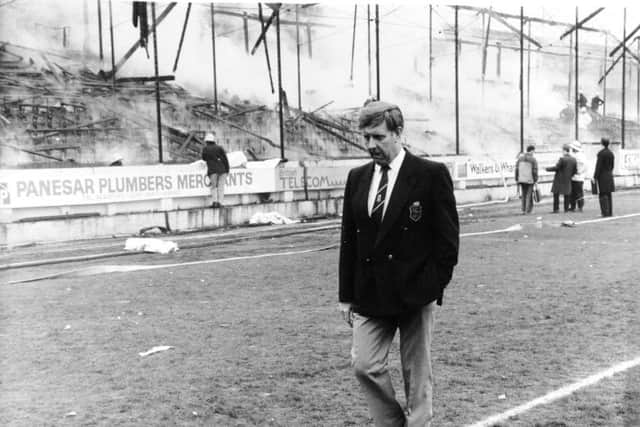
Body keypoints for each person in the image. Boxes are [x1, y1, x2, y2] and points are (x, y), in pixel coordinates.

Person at [338, 100, 459, 427]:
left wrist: (432, 286)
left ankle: (419, 423)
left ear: (398, 132)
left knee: (416, 374)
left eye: (378, 137)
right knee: (364, 364)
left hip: (415, 292)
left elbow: (448, 242)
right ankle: (393, 423)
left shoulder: (430, 175)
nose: (370, 145)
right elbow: (349, 240)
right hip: (370, 293)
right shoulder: (357, 177)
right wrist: (346, 295)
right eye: (366, 138)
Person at [545, 143, 577, 213]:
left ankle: (556, 209)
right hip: (568, 179)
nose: (562, 152)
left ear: (565, 151)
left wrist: (547, 169)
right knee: (567, 194)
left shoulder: (562, 159)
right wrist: (570, 175)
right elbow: (575, 170)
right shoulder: (574, 159)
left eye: (562, 150)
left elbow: (556, 168)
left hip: (559, 179)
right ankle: (566, 208)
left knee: (556, 194)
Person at [201, 132, 229, 208]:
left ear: (206, 141)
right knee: (221, 187)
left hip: (212, 170)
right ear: (214, 140)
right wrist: (227, 169)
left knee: (213, 187)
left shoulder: (205, 149)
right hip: (222, 170)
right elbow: (225, 159)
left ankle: (215, 202)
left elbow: (203, 158)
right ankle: (220, 203)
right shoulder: (220, 148)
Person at [593, 137, 615, 217]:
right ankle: (609, 212)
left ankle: (604, 212)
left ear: (601, 143)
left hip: (602, 176)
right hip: (609, 174)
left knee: (602, 194)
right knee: (609, 194)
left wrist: (595, 176)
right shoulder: (611, 153)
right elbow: (612, 165)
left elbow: (598, 166)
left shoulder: (601, 153)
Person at [515, 145, 539, 214]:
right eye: (533, 151)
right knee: (529, 195)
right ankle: (527, 210)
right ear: (531, 151)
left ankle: (523, 210)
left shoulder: (520, 159)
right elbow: (534, 170)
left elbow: (516, 169)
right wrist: (535, 179)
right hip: (530, 179)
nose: (534, 152)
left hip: (521, 179)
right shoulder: (533, 159)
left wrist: (517, 178)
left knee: (524, 194)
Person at [568, 140, 588, 212]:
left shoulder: (576, 156)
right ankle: (579, 206)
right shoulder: (582, 155)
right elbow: (586, 167)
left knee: (575, 193)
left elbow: (574, 166)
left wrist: (577, 172)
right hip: (580, 177)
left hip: (576, 177)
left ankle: (575, 206)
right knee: (578, 192)